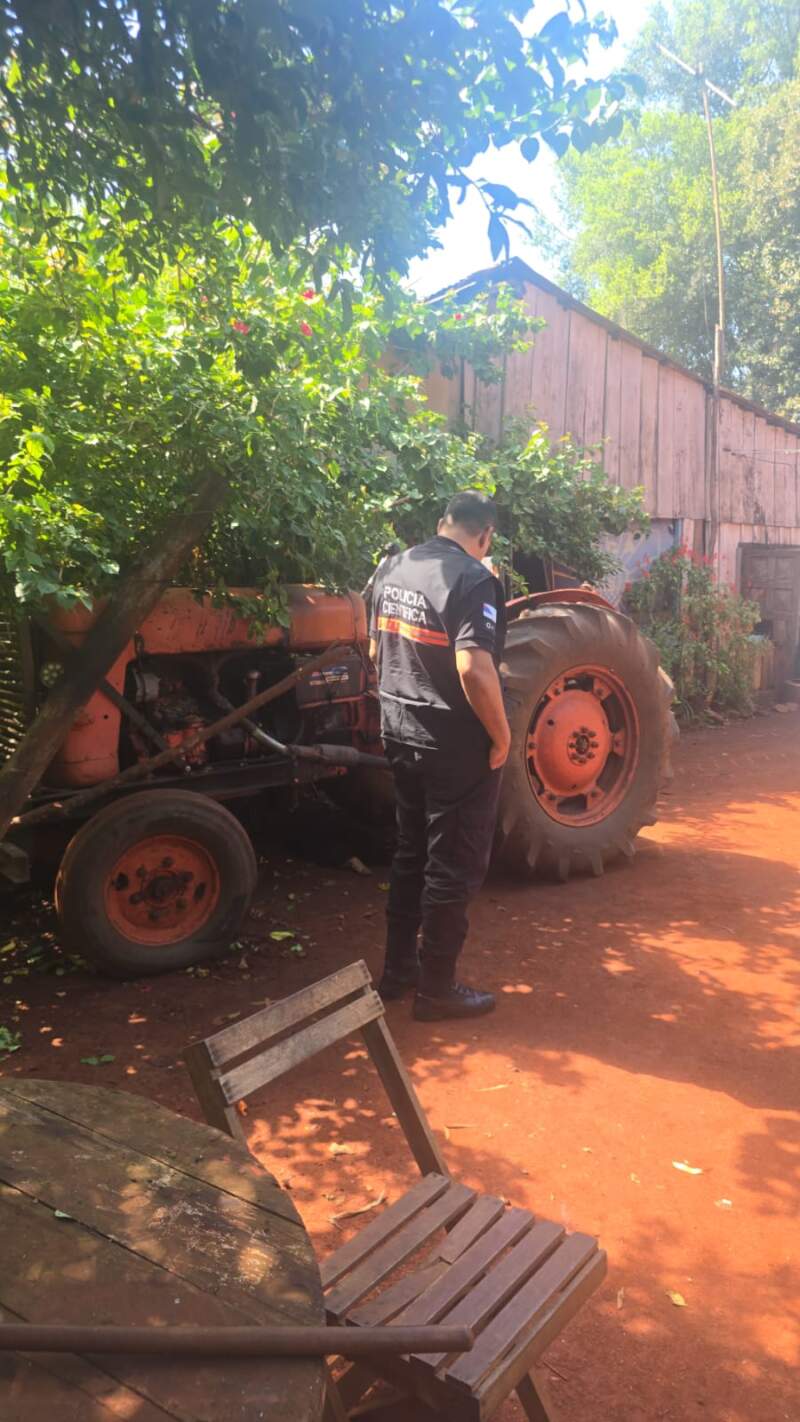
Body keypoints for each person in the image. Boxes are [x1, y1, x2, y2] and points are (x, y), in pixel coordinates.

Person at [368, 490, 510, 1020]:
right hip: (454, 746)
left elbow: (377, 650)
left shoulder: (394, 566)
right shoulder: (475, 580)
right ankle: (436, 991)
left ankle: (397, 975)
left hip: (400, 733)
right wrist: (501, 737)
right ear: (486, 534)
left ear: (441, 523)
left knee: (411, 855)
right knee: (454, 867)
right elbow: (475, 669)